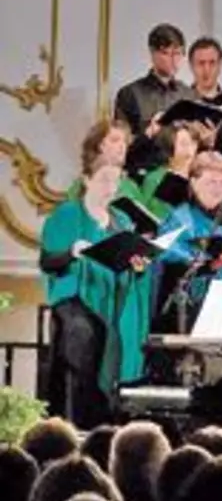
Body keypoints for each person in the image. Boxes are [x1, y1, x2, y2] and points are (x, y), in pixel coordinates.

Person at [40, 153, 156, 427]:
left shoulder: (121, 221)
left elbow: (128, 266)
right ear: (87, 180)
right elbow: (48, 261)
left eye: (115, 181)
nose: (110, 187)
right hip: (74, 301)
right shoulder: (68, 213)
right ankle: (75, 424)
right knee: (84, 337)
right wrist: (72, 252)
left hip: (112, 302)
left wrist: (138, 266)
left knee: (115, 342)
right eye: (104, 179)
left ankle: (105, 424)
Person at [155, 151, 222, 333]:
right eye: (211, 182)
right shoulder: (180, 219)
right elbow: (169, 259)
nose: (217, 189)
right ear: (193, 183)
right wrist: (210, 264)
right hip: (191, 311)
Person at [115, 23, 199, 172]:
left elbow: (196, 143)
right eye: (167, 53)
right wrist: (148, 133)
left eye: (178, 53)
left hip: (180, 173)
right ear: (153, 53)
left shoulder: (189, 95)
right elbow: (120, 146)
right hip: (144, 173)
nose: (173, 60)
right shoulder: (130, 94)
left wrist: (206, 138)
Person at [139, 122, 210, 221]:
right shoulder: (155, 179)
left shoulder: (201, 176)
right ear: (169, 147)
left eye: (193, 143)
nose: (190, 149)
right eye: (183, 144)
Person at [188, 37, 222, 102]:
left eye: (212, 63)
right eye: (201, 63)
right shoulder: (178, 105)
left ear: (220, 64)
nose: (207, 70)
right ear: (191, 65)